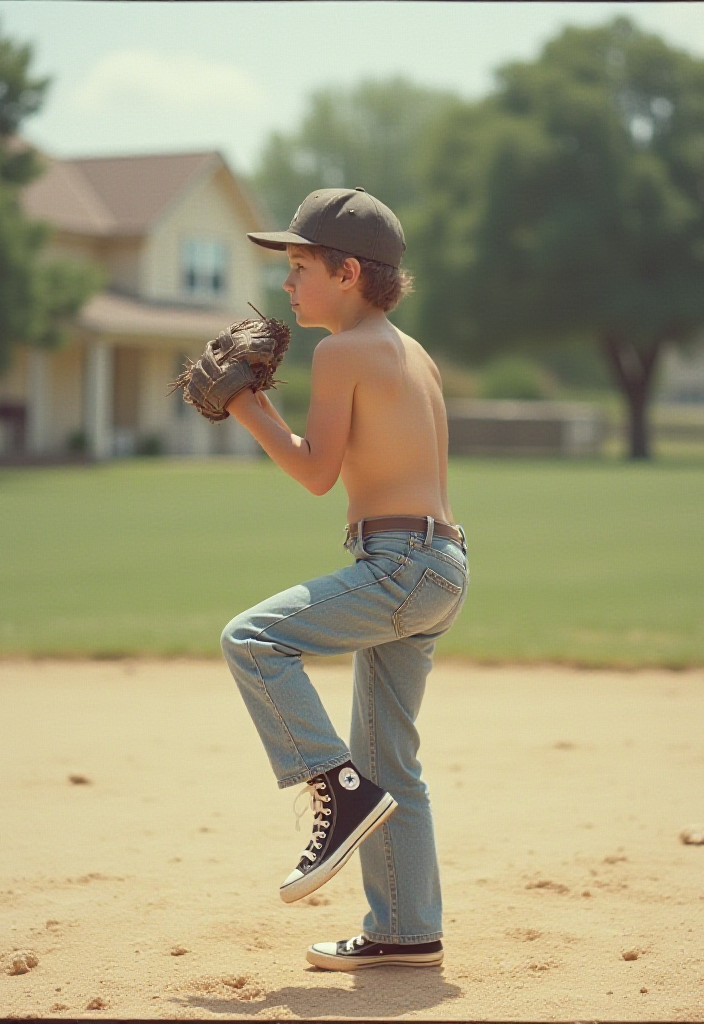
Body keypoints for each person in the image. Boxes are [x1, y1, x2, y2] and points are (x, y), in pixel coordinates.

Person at [220, 186, 469, 972]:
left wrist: (246, 408)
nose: (288, 286)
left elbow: (315, 472)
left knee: (252, 638)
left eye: (299, 267)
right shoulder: (413, 349)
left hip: (397, 565)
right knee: (395, 762)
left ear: (349, 272)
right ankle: (406, 931)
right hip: (440, 563)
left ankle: (340, 789)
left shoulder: (341, 350)